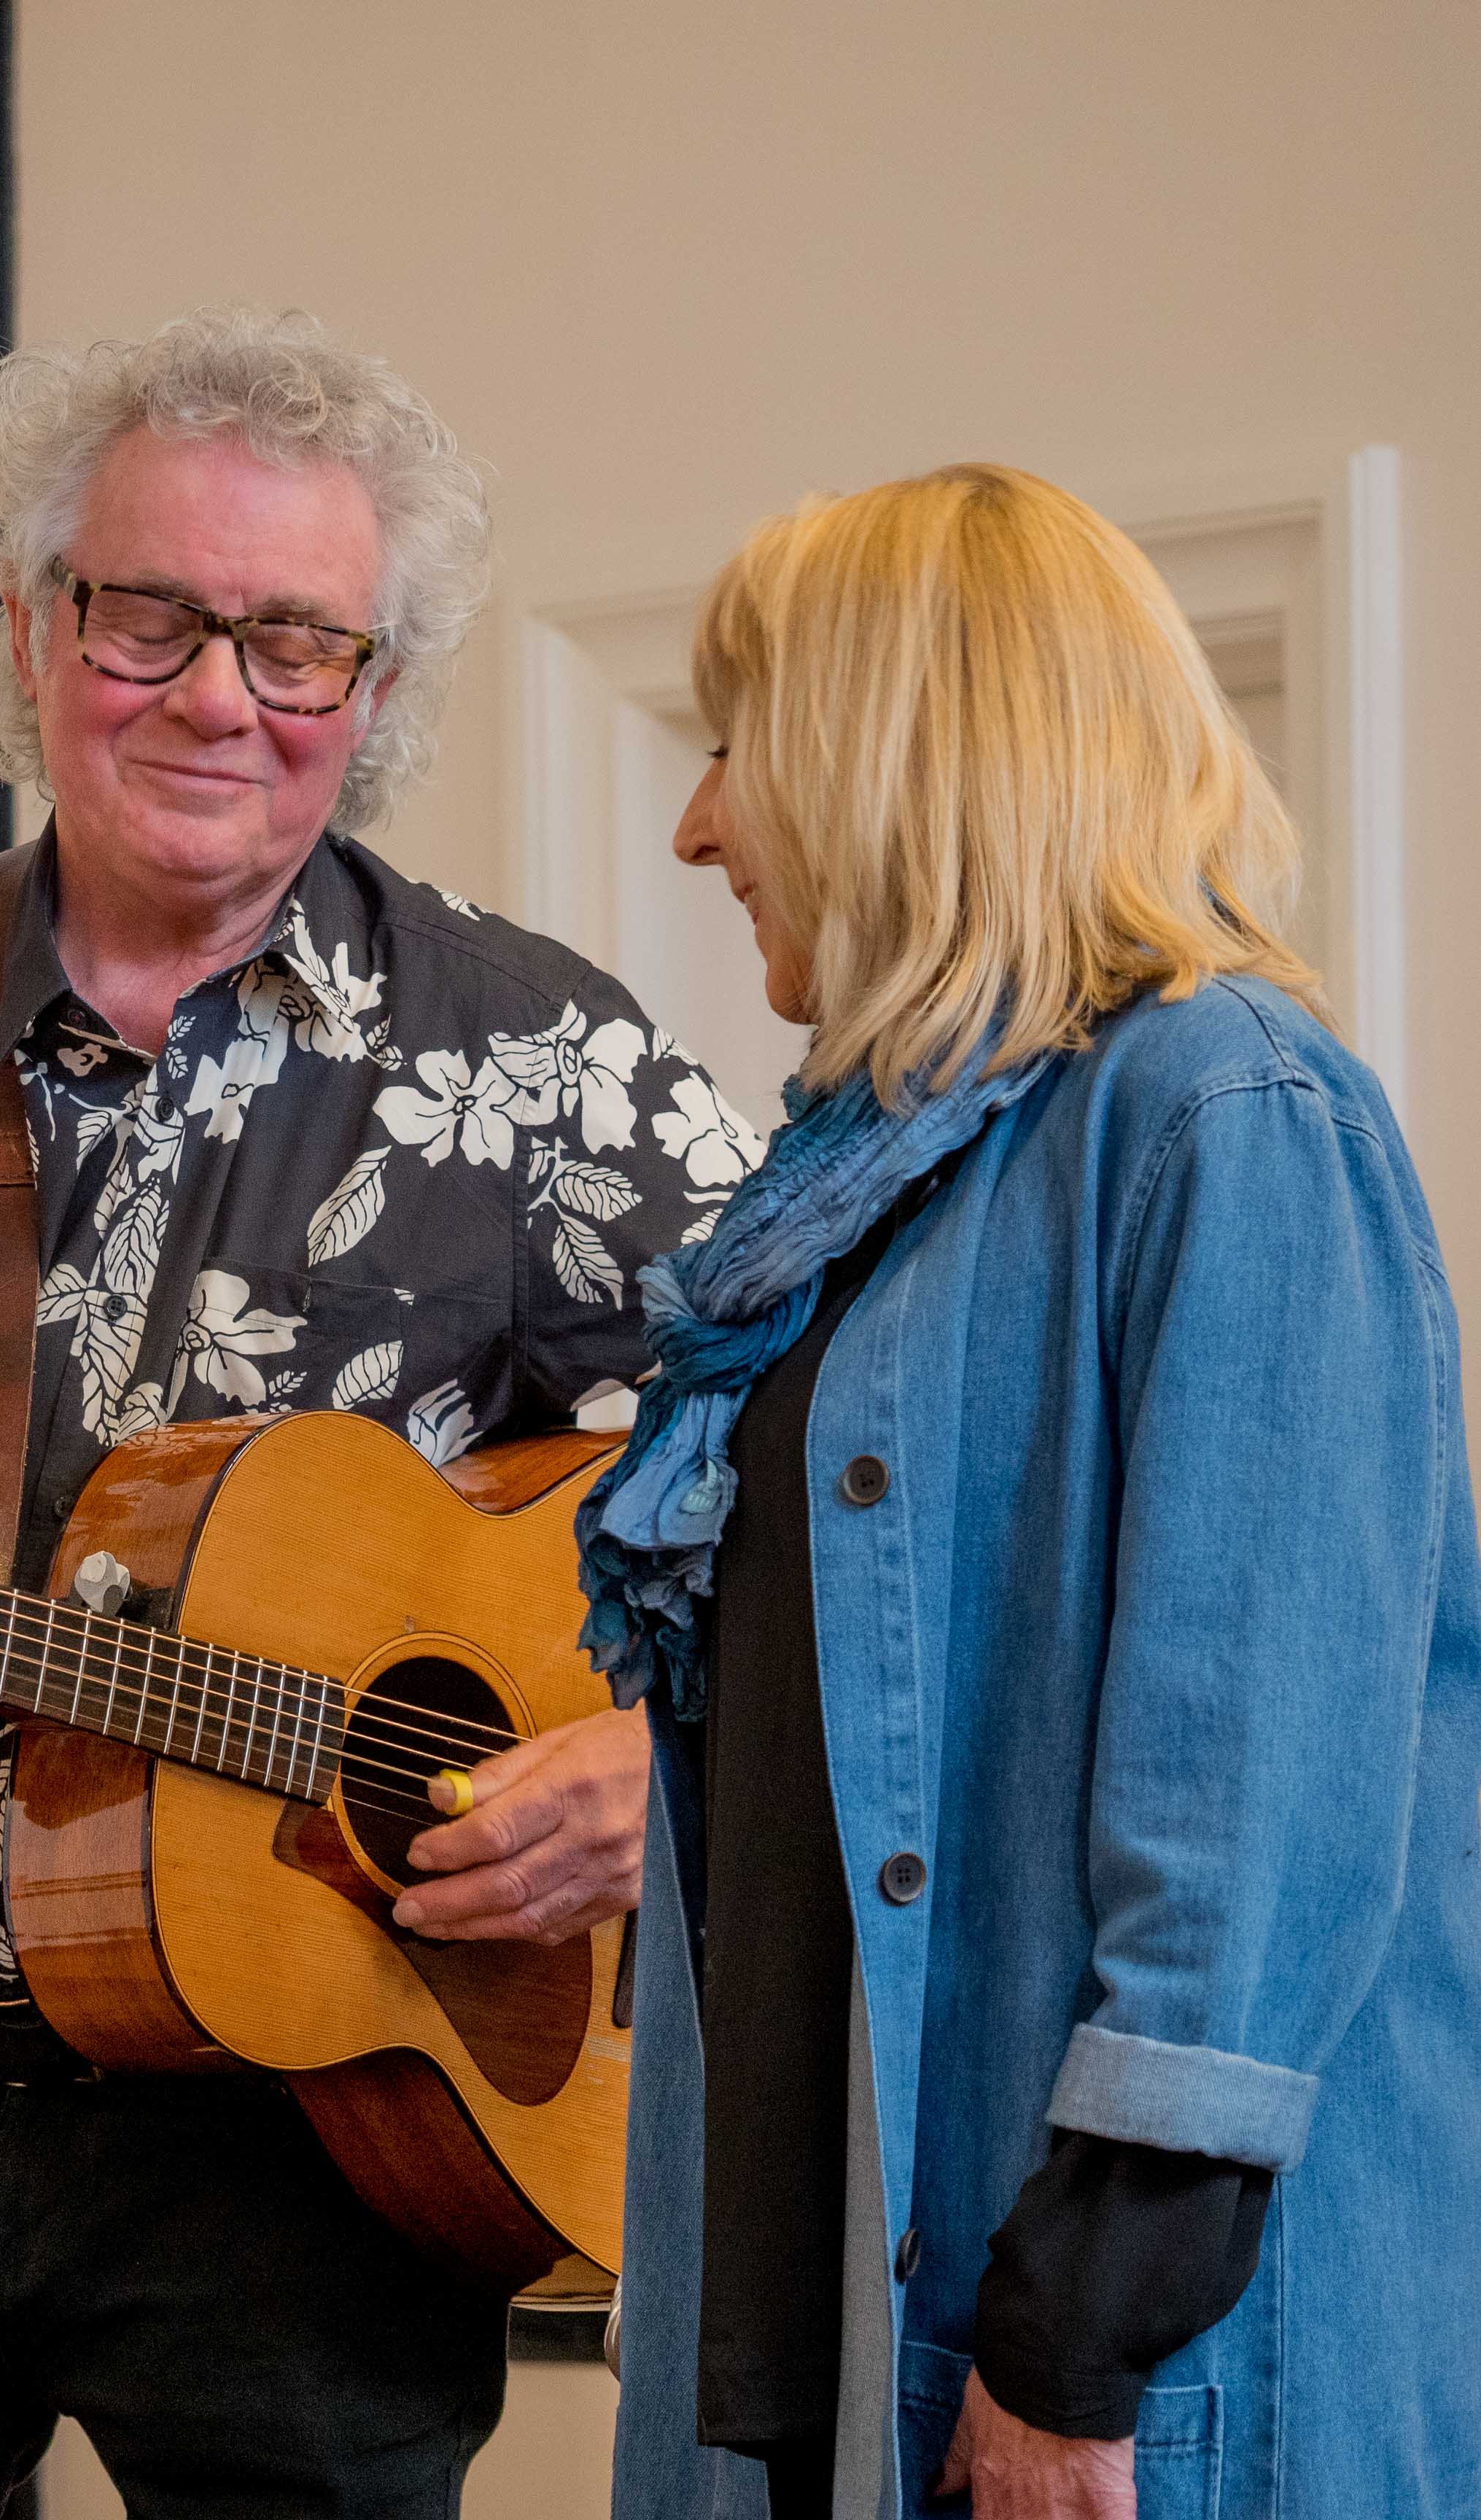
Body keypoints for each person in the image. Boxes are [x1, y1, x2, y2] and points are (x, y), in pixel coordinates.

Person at [0, 306, 758, 2519]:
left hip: (327, 2132)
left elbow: (834, 1483)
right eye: (150, 617)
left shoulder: (542, 1065)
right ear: (34, 626)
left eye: (297, 642)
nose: (219, 696)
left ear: (372, 691)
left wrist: (665, 1761)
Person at [583, 464, 1481, 2519]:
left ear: (894, 754)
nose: (696, 824)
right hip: (834, 2321)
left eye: (737, 745)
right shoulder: (865, 1191)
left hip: (1104, 2369)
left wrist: (1075, 2343)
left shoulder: (1229, 1110)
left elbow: (1255, 1810)